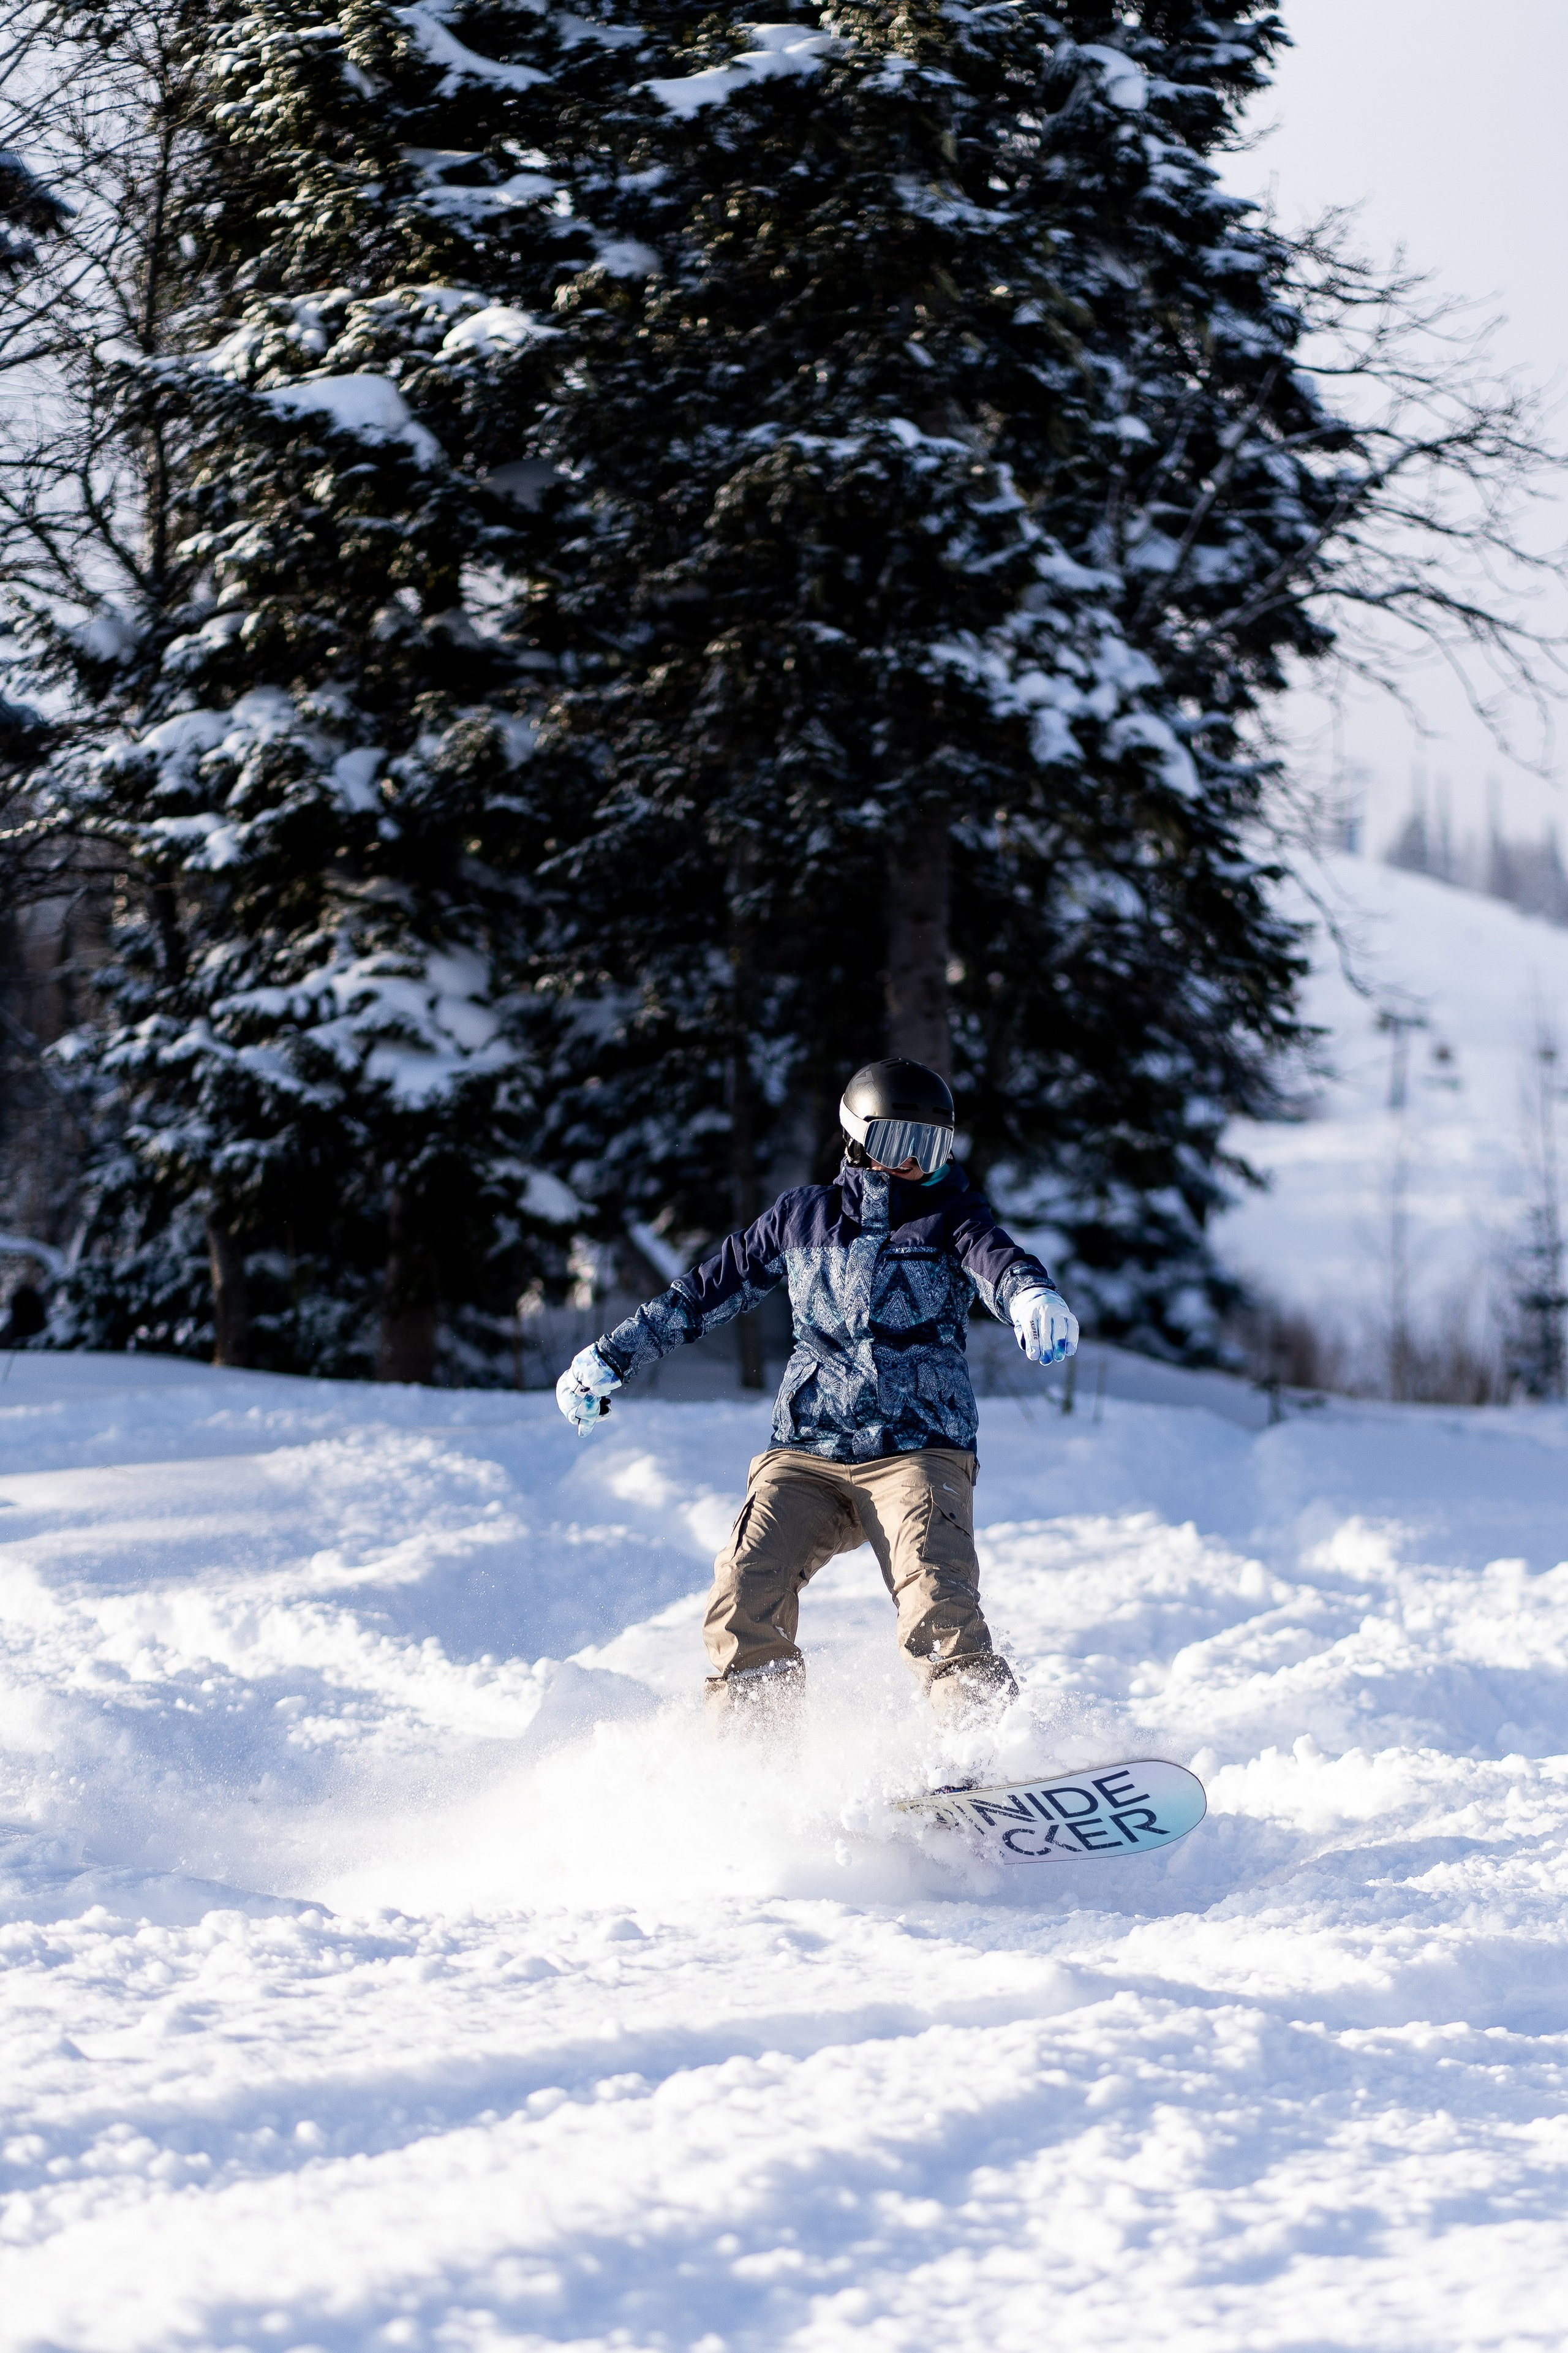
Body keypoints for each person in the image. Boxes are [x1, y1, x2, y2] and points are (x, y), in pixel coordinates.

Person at [556, 1057, 1078, 1725]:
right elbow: (702, 1293)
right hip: (807, 1451)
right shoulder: (802, 1219)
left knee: (935, 1594)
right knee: (745, 1590)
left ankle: (983, 1746)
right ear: (857, 1137)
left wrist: (1030, 1294)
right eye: (899, 1144)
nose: (916, 1163)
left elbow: (999, 1261)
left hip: (918, 1450)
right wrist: (610, 1357)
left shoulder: (951, 1219)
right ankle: (755, 1756)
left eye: (932, 1145)